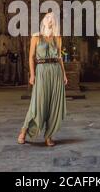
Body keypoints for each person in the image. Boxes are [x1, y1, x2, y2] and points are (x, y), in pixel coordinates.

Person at [18, 12, 68, 147]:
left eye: (52, 18)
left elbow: (59, 57)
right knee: (37, 103)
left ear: (54, 22)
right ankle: (23, 131)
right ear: (43, 20)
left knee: (53, 105)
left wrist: (64, 74)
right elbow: (31, 57)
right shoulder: (36, 36)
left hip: (56, 71)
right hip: (41, 71)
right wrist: (32, 74)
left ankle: (49, 136)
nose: (49, 20)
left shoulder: (57, 38)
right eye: (47, 17)